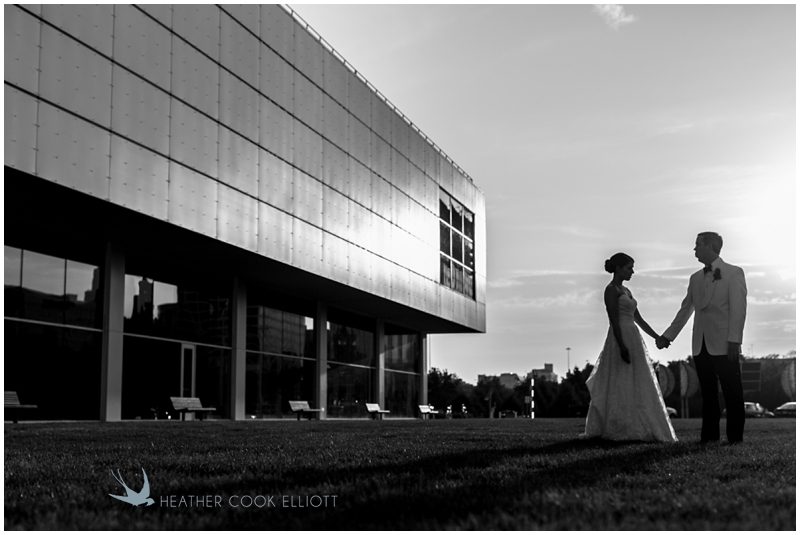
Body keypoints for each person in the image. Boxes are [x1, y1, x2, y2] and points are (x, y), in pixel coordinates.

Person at [658, 232, 747, 444]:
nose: (694, 249)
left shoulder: (734, 273)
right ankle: (709, 437)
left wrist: (735, 340)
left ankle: (735, 439)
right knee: (708, 394)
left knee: (732, 392)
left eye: (697, 245)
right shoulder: (695, 278)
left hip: (726, 344)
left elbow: (739, 309)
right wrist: (668, 336)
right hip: (701, 344)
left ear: (710, 246)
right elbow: (685, 310)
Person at [584, 253, 677, 442]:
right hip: (620, 336)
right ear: (618, 268)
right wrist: (621, 345)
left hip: (634, 336)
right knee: (620, 379)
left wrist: (657, 337)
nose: (632, 271)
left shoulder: (627, 291)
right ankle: (618, 424)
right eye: (629, 268)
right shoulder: (610, 290)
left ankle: (639, 422)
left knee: (638, 378)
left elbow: (639, 319)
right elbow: (613, 320)